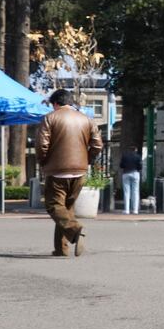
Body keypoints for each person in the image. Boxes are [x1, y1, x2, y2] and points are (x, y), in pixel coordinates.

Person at [37, 89, 103, 257]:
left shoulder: (50, 118)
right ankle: (61, 248)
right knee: (67, 209)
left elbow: (42, 145)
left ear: (56, 103)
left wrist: (44, 162)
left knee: (54, 206)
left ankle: (75, 229)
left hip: (57, 170)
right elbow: (97, 145)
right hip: (79, 171)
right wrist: (86, 160)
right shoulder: (87, 119)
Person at [118, 146, 142, 215]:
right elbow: (140, 166)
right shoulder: (138, 156)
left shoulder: (124, 156)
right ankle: (135, 210)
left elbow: (121, 165)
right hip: (135, 173)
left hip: (126, 173)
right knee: (135, 192)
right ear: (136, 149)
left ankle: (127, 210)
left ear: (129, 150)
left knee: (126, 192)